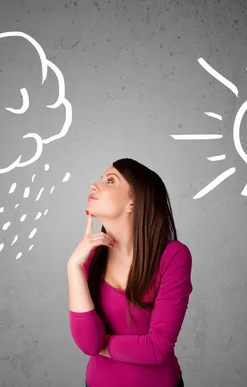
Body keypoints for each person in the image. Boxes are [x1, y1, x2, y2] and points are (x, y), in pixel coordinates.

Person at [67, 158, 193, 387]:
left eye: (110, 180)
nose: (94, 185)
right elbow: (87, 344)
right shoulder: (88, 258)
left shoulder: (174, 256)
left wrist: (101, 343)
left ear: (132, 203)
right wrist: (73, 268)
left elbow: (157, 349)